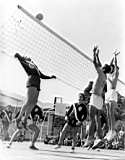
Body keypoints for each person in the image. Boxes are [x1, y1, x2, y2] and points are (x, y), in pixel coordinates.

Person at [14, 53, 56, 129]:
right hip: (32, 82)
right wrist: (19, 57)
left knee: (34, 102)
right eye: (27, 57)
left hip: (37, 84)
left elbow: (42, 75)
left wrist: (50, 77)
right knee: (28, 101)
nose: (29, 58)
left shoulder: (35, 67)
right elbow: (23, 63)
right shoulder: (27, 64)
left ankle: (25, 119)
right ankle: (19, 118)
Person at [83, 46, 112, 149]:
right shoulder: (104, 76)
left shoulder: (100, 73)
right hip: (100, 99)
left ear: (103, 69)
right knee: (97, 120)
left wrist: (94, 53)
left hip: (95, 97)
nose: (102, 66)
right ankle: (98, 139)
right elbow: (99, 64)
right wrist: (97, 55)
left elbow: (95, 64)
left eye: (103, 66)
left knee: (91, 119)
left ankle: (90, 139)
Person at [105, 51, 119, 141]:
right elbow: (110, 64)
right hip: (108, 93)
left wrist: (115, 58)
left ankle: (113, 130)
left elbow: (115, 65)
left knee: (111, 112)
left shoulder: (116, 74)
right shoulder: (109, 74)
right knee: (108, 113)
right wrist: (113, 56)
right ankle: (110, 130)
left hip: (113, 93)